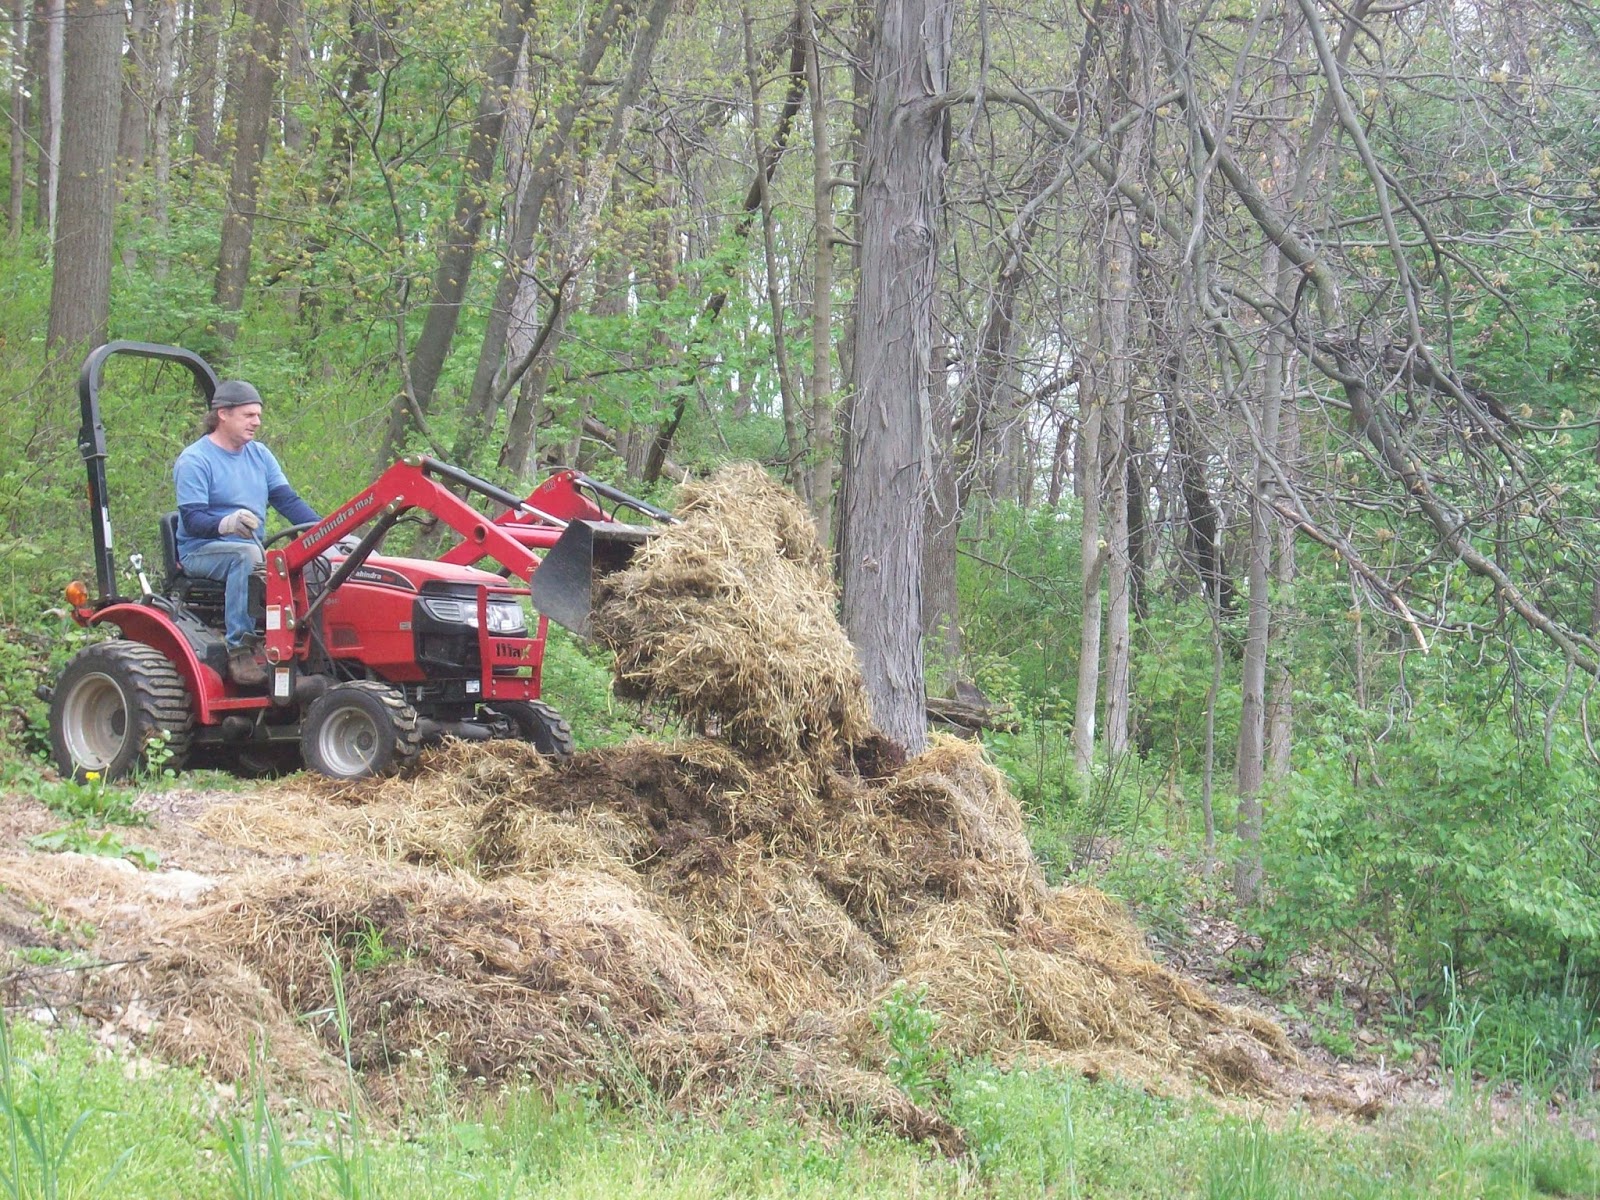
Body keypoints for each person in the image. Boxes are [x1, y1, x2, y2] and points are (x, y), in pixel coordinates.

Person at [173, 380, 318, 686]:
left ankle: (307, 647)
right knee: (247, 556)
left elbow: (286, 500)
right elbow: (193, 518)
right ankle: (239, 649)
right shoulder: (195, 460)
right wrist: (226, 523)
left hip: (251, 548)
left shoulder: (260, 455)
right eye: (249, 415)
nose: (257, 422)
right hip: (203, 549)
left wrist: (324, 532)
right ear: (223, 414)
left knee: (306, 560)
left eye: (258, 415)